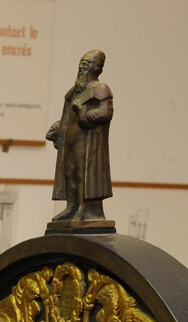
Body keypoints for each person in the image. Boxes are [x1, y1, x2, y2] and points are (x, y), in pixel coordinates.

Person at [46, 50, 114, 225]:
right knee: (69, 173)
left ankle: (84, 208)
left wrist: (83, 113)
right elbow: (69, 115)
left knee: (82, 173)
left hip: (86, 139)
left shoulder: (100, 89)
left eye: (86, 64)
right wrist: (59, 126)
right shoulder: (74, 91)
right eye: (81, 63)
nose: (82, 68)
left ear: (96, 67)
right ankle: (72, 206)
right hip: (70, 138)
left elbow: (105, 113)